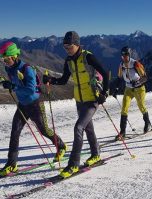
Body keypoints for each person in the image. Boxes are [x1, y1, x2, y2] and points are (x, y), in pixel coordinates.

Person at [43, 31, 109, 178]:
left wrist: (105, 93)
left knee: (78, 127)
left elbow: (105, 72)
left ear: (77, 44)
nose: (67, 49)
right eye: (65, 47)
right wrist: (51, 80)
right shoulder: (68, 60)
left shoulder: (88, 57)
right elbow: (64, 80)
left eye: (70, 46)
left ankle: (73, 164)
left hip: (93, 99)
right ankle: (96, 154)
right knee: (88, 129)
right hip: (79, 100)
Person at [0, 41, 67, 177]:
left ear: (14, 56)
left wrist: (13, 87)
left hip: (35, 103)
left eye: (7, 59)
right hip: (22, 105)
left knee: (44, 130)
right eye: (4, 59)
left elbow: (30, 89)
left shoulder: (27, 69)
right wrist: (9, 84)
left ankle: (62, 146)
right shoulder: (9, 69)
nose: (5, 61)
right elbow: (16, 84)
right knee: (15, 132)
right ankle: (11, 164)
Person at [112, 46, 151, 140]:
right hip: (128, 88)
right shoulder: (121, 65)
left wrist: (137, 82)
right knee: (124, 108)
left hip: (139, 88)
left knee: (141, 106)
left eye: (126, 55)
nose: (124, 57)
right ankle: (122, 132)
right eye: (122, 56)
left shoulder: (135, 64)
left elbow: (145, 77)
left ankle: (147, 123)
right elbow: (119, 78)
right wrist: (116, 89)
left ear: (129, 55)